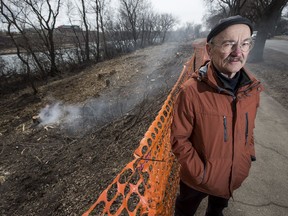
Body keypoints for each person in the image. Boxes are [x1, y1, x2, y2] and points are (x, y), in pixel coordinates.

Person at [171, 15, 264, 216]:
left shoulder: (253, 89)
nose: (238, 52)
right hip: (198, 180)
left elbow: (250, 130)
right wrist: (201, 174)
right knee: (185, 209)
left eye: (245, 44)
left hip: (232, 175)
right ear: (209, 50)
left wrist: (247, 157)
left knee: (217, 209)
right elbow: (179, 140)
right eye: (229, 44)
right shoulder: (191, 92)